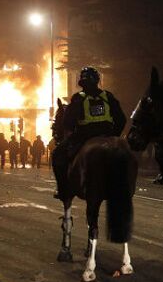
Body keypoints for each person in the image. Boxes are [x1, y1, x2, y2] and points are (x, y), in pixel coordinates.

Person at [52, 67, 127, 199]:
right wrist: (114, 136)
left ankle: (62, 189)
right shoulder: (107, 96)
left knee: (58, 155)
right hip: (107, 136)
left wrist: (70, 134)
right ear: (97, 81)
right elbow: (121, 119)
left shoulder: (78, 98)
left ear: (82, 82)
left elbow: (68, 122)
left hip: (83, 137)